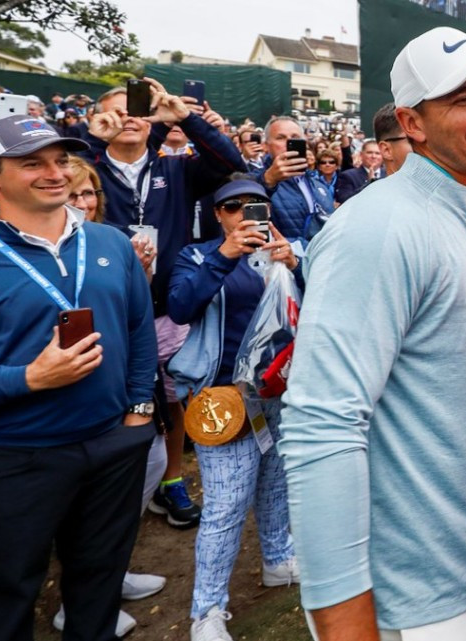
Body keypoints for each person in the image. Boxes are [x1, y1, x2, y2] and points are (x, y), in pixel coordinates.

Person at [279, 27, 466, 640]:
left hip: (464, 564)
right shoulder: (378, 227)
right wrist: (343, 618)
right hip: (407, 592)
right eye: (463, 98)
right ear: (411, 124)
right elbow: (321, 424)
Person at [0, 114, 157, 641]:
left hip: (111, 444)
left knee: (98, 586)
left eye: (61, 160)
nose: (55, 173)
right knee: (9, 593)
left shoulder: (109, 241)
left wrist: (139, 412)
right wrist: (27, 379)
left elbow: (139, 330)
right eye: (31, 163)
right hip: (16, 454)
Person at [86, 78, 245, 531]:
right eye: (116, 112)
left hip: (167, 310)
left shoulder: (174, 169)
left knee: (173, 401)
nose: (128, 118)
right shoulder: (88, 171)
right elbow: (60, 180)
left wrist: (186, 119)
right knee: (118, 403)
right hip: (110, 312)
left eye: (136, 110)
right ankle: (110, 492)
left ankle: (171, 479)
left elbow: (230, 164)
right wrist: (91, 139)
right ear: (100, 119)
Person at [166, 177, 301, 641]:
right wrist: (224, 256)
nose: (245, 213)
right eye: (233, 206)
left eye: (256, 204)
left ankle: (278, 560)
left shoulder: (286, 249)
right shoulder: (197, 255)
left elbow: (318, 303)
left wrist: (297, 266)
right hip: (223, 395)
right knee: (226, 505)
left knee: (276, 483)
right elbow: (180, 307)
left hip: (280, 388)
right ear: (218, 214)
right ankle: (207, 610)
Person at [251, 116, 333, 249]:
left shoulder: (317, 183)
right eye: (280, 138)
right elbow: (250, 223)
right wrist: (267, 180)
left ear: (304, 142)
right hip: (280, 257)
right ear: (266, 146)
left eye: (295, 137)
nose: (289, 142)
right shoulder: (254, 180)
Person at [335, 140, 382, 205]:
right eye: (369, 153)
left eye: (377, 153)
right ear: (361, 155)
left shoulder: (389, 174)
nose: (373, 156)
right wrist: (368, 183)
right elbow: (345, 200)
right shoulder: (347, 176)